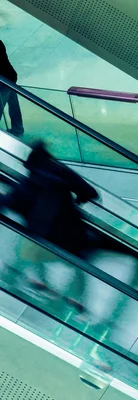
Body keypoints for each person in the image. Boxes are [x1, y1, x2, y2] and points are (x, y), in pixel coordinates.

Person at [1, 140, 98, 310]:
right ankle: (80, 302)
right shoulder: (60, 172)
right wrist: (76, 199)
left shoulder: (25, 188)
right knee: (78, 263)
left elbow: (7, 203)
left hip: (47, 240)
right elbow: (91, 192)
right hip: (75, 234)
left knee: (27, 251)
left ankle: (41, 283)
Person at [0, 40, 23, 136]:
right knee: (14, 105)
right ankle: (18, 130)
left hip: (4, 81)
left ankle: (17, 130)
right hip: (10, 77)